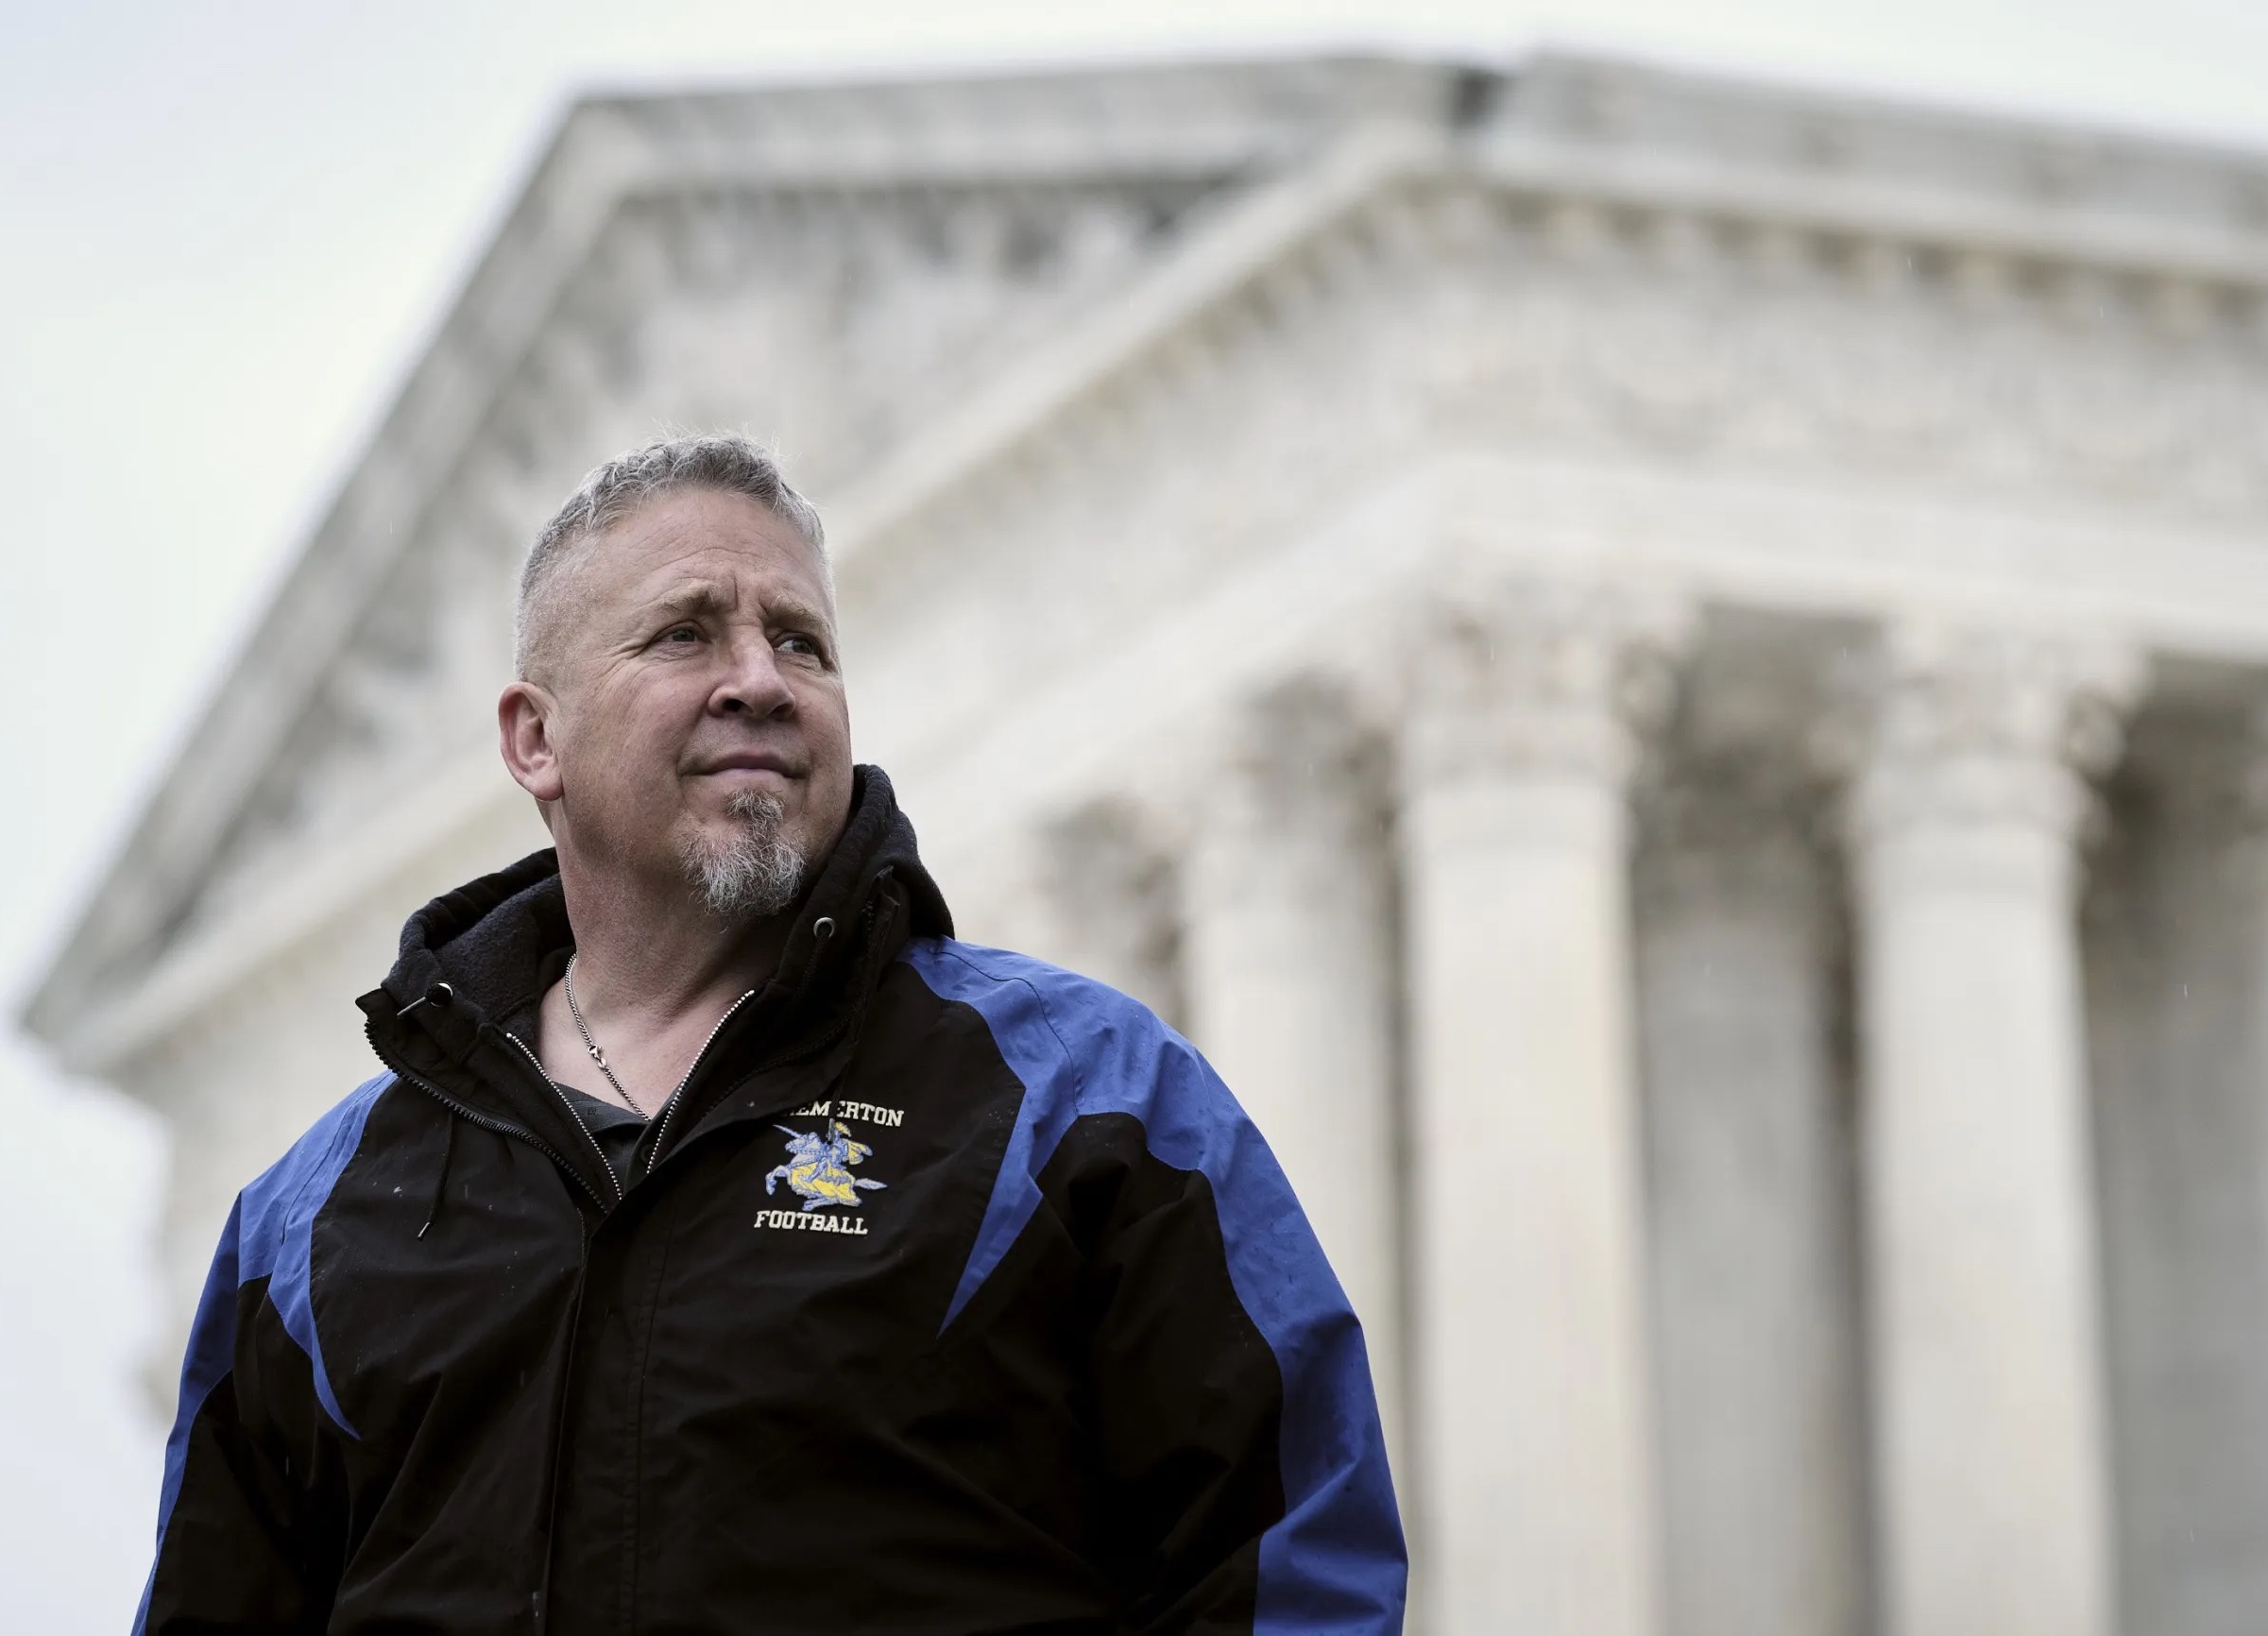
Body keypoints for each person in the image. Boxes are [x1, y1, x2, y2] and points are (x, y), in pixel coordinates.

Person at [134, 435, 1406, 1634]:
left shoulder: (1088, 1098)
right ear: (536, 738)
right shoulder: (307, 1227)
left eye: (802, 642)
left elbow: (1288, 1560)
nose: (760, 680)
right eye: (686, 633)